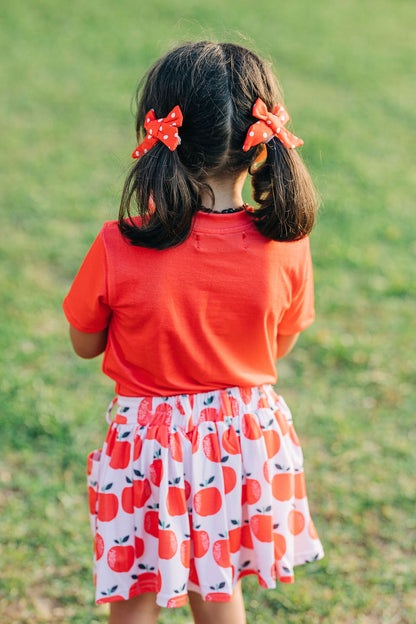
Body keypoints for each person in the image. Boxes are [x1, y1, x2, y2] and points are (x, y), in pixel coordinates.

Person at [63, 41, 324, 624]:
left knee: (134, 588)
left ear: (160, 136)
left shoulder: (120, 244)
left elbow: (84, 344)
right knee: (219, 579)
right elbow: (279, 345)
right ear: (261, 142)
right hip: (244, 440)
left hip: (149, 447)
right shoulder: (287, 246)